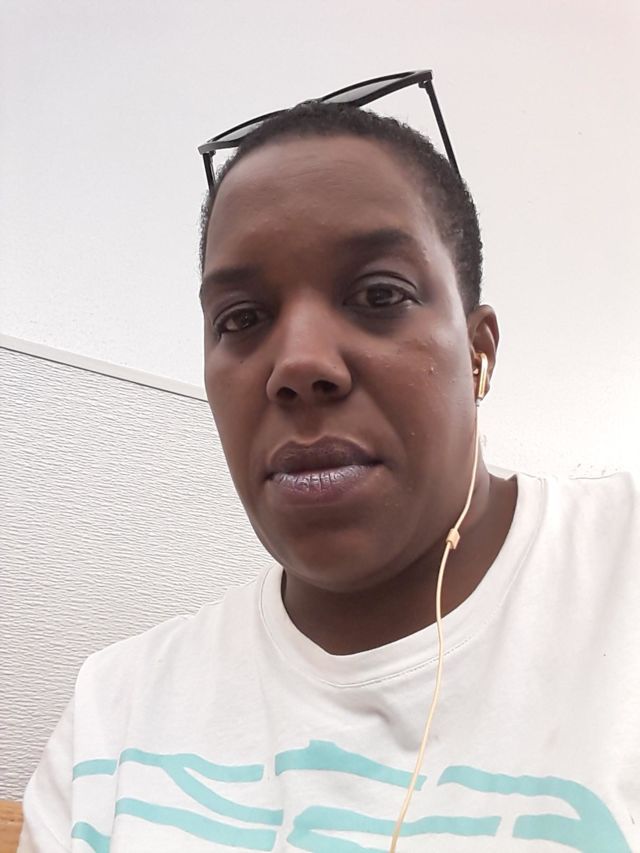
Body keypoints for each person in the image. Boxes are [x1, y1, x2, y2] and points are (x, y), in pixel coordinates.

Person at [19, 101, 639, 852]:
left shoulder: (620, 577)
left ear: (479, 352)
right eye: (241, 319)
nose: (299, 364)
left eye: (380, 295)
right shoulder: (113, 717)